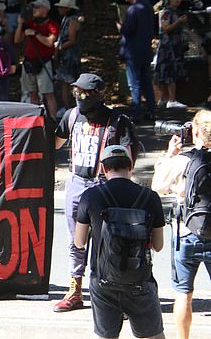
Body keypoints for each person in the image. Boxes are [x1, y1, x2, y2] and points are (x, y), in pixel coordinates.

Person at [54, 73, 139, 313]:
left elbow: (129, 160)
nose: (80, 97)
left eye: (86, 93)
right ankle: (75, 289)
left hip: (104, 187)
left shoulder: (117, 121)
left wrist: (122, 189)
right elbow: (54, 144)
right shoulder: (71, 116)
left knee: (109, 242)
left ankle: (111, 295)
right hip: (76, 184)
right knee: (75, 242)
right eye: (76, 92)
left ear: (100, 94)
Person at [75, 145, 165, 339]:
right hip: (140, 281)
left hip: (103, 282)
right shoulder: (150, 197)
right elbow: (158, 245)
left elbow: (79, 242)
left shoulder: (91, 196)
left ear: (104, 168)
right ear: (130, 166)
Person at [152, 109, 211, 339]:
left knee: (183, 294)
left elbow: (157, 186)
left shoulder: (183, 160)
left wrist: (169, 155)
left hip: (186, 233)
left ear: (195, 131)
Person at [14, 0, 59, 119]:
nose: (34, 9)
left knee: (48, 93)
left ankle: (53, 121)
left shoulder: (52, 25)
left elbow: (50, 42)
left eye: (37, 7)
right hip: (29, 62)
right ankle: (36, 120)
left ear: (46, 9)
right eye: (34, 7)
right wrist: (20, 24)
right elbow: (17, 40)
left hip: (44, 62)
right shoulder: (29, 23)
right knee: (32, 93)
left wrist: (35, 34)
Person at [118, 0, 156, 123]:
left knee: (134, 84)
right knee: (146, 82)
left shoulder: (133, 9)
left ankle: (136, 113)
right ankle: (151, 110)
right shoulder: (148, 7)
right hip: (145, 50)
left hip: (133, 52)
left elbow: (127, 29)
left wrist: (120, 27)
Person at [154, 0, 187, 108]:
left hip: (176, 47)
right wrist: (178, 22)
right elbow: (165, 29)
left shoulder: (178, 11)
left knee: (171, 71)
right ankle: (170, 100)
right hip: (167, 47)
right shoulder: (166, 12)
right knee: (168, 72)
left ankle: (165, 99)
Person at [54, 0, 81, 113]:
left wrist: (59, 47)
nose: (59, 9)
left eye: (61, 7)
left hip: (70, 56)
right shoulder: (65, 18)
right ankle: (66, 107)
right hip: (64, 55)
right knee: (63, 83)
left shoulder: (73, 20)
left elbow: (72, 40)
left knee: (69, 82)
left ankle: (73, 107)